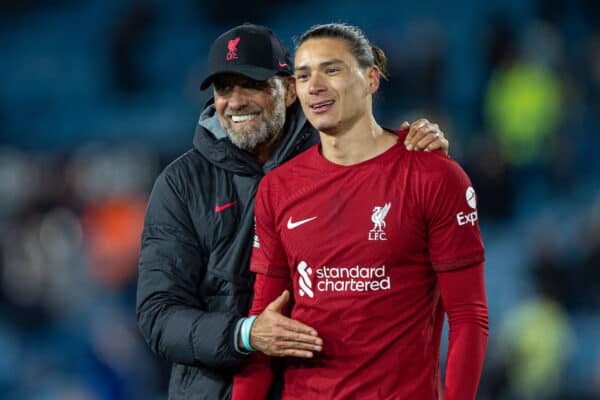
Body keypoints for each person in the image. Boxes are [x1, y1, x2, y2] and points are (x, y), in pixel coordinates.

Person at [136, 23, 449, 400]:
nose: (235, 102)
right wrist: (246, 334)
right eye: (224, 88)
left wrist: (420, 156)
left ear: (287, 91)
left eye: (251, 84)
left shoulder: (341, 156)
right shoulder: (181, 184)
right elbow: (157, 315)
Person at [232, 23, 488, 400]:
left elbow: (469, 317)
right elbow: (266, 322)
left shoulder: (434, 176)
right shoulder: (278, 188)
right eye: (303, 76)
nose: (315, 85)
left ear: (371, 79)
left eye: (331, 70)